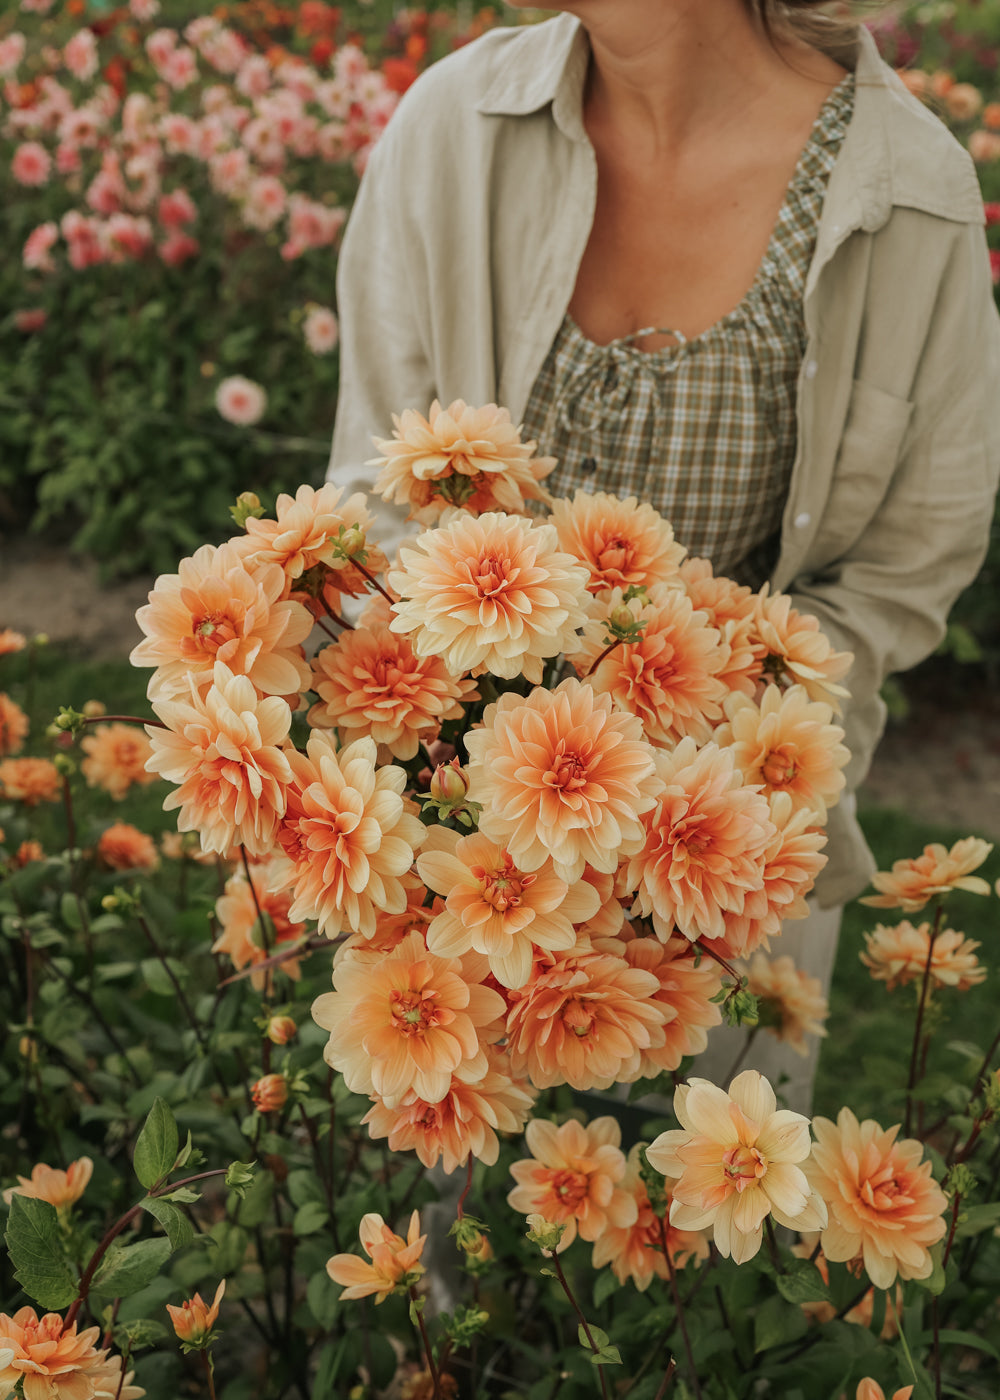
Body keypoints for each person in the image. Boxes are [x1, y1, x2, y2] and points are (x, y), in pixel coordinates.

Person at [326, 0, 1000, 1111]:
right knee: (431, 1248)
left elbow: (903, 563)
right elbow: (381, 480)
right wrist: (475, 766)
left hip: (721, 872)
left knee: (694, 1229)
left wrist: (700, 777)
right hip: (451, 866)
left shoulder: (902, 194)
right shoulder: (453, 127)